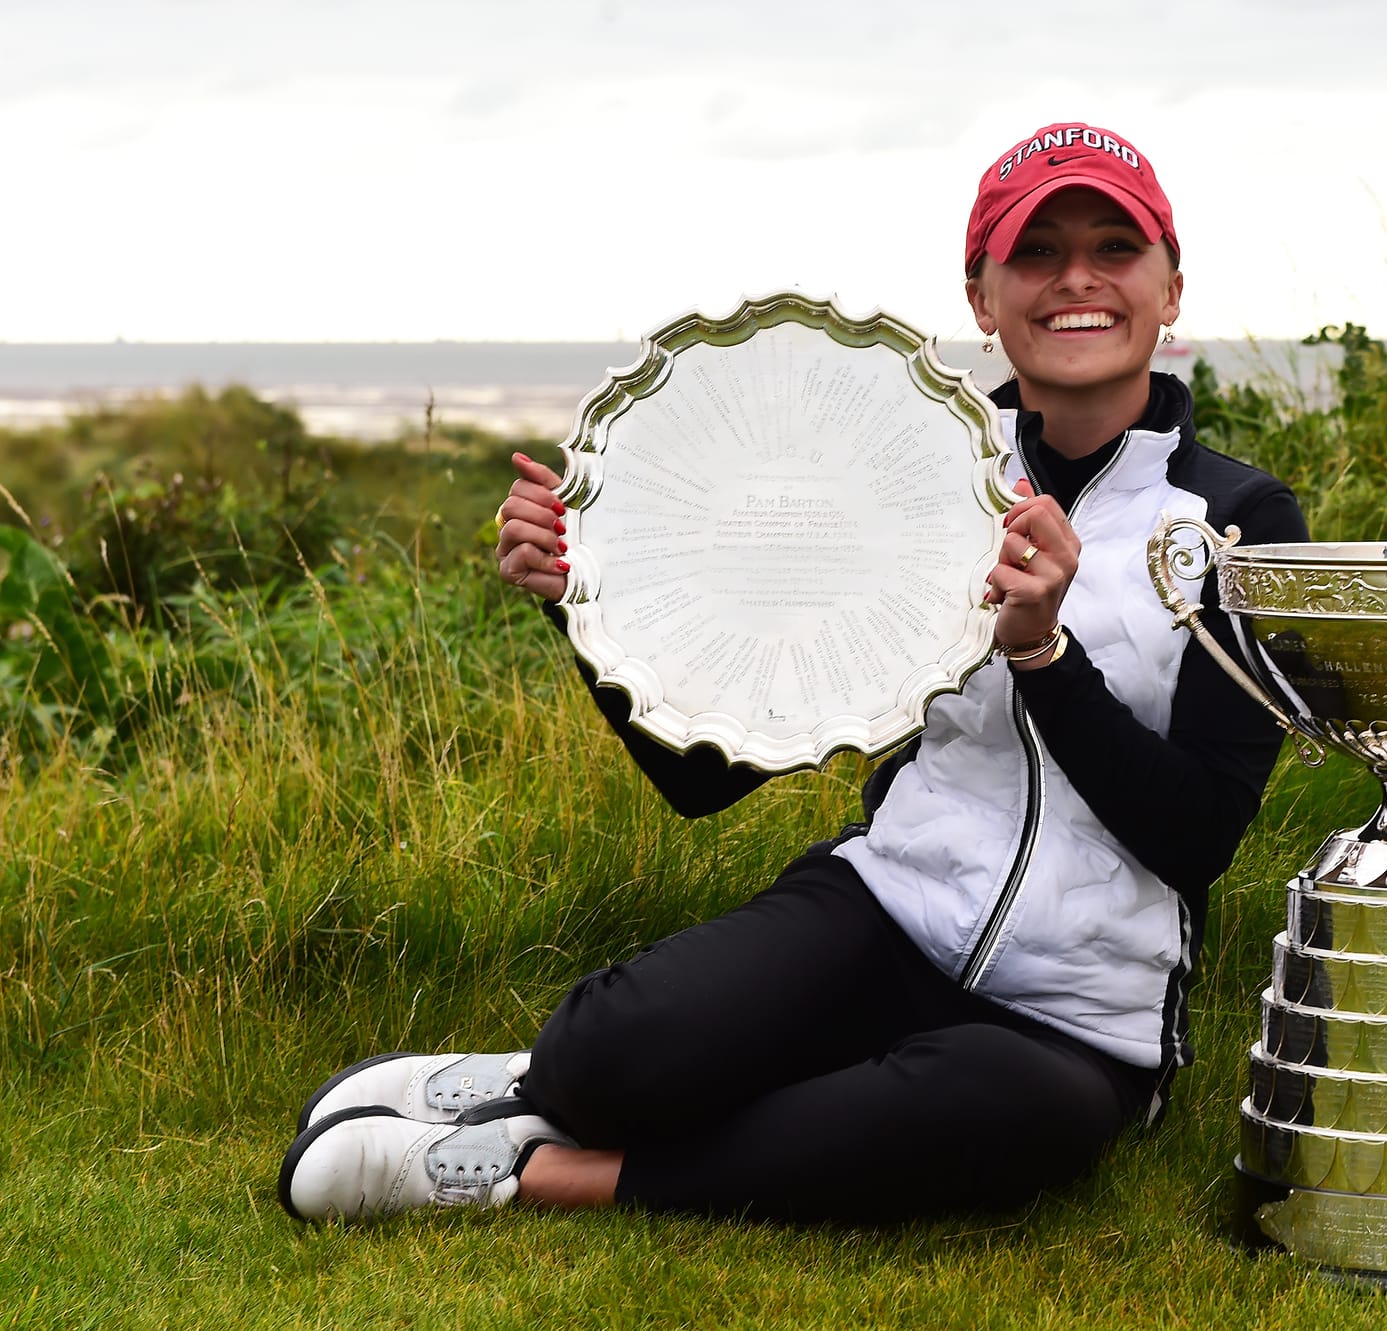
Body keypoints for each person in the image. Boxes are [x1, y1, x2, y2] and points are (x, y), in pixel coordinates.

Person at [278, 121, 1309, 1224]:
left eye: (1113, 247)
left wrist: (1044, 656)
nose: (1075, 280)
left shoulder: (1240, 525)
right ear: (980, 296)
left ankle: (533, 1170)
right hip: (887, 905)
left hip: (1078, 1011)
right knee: (612, 1051)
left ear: (1169, 287)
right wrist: (581, 603)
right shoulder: (909, 475)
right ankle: (535, 1086)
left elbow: (1195, 834)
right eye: (1034, 253)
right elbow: (703, 780)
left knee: (1006, 1115)